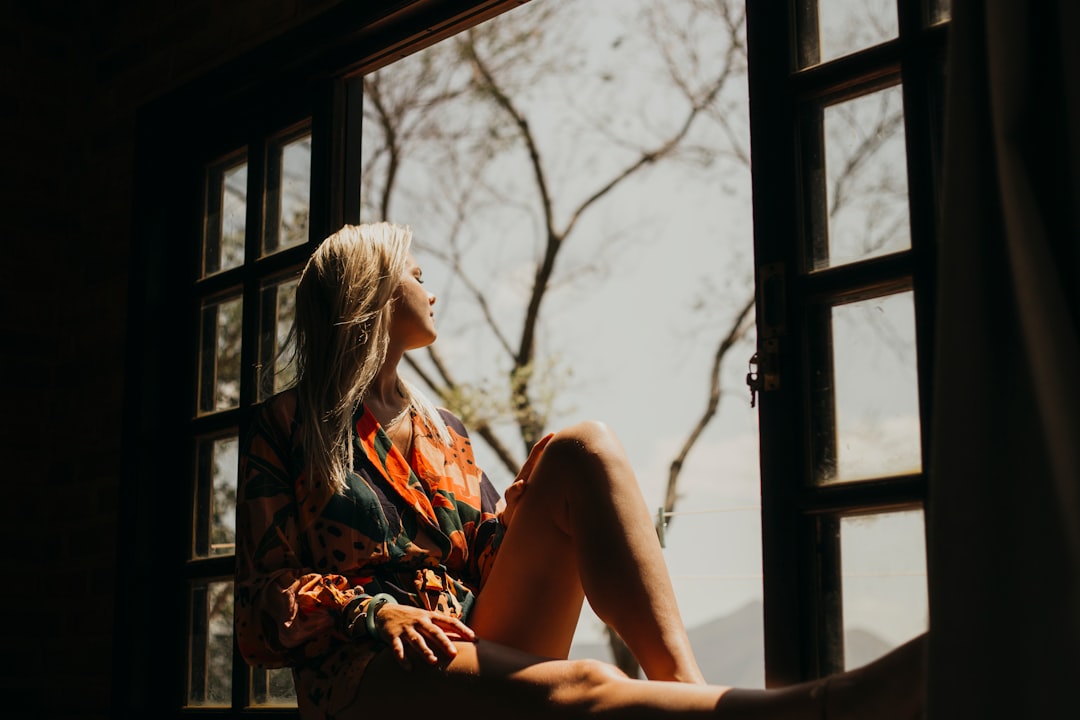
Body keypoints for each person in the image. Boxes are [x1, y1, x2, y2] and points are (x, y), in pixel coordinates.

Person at [235, 222, 926, 720]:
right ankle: (829, 709)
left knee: (582, 446)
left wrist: (526, 511)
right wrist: (374, 613)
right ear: (373, 293)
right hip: (370, 669)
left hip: (471, 637)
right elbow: (261, 604)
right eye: (414, 274)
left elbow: (481, 565)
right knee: (586, 683)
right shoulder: (288, 424)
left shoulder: (445, 433)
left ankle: (689, 689)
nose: (429, 288)